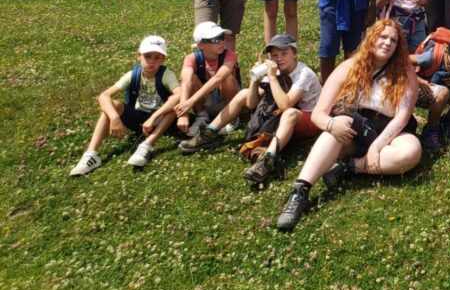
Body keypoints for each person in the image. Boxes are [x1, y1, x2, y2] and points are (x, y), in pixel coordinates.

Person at [276, 20, 421, 231]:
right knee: (334, 130)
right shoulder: (349, 67)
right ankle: (300, 192)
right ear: (371, 39)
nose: (387, 43)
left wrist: (376, 147)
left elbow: (402, 118)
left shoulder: (405, 73)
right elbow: (318, 114)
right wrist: (331, 124)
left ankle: (349, 167)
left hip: (390, 131)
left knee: (412, 151)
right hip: (355, 128)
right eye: (383, 37)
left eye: (393, 40)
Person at [179, 34, 323, 182]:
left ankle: (268, 159)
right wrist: (255, 80)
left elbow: (285, 106)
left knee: (290, 113)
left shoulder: (303, 73)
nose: (279, 59)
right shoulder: (275, 70)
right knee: (244, 93)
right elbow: (251, 103)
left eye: (284, 54)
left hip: (308, 119)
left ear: (295, 54)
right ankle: (210, 132)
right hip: (282, 117)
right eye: (274, 55)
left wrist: (272, 78)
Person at [70, 36, 180, 174]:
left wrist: (154, 117)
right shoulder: (133, 74)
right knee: (113, 105)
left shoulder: (167, 75)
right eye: (147, 56)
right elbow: (104, 96)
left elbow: (179, 95)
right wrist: (114, 117)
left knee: (173, 107)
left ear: (163, 59)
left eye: (157, 57)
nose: (151, 61)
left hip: (161, 120)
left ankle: (146, 146)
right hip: (139, 118)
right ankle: (91, 154)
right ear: (138, 56)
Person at [174, 21, 241, 136]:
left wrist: (190, 102)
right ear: (201, 45)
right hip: (205, 99)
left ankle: (231, 116)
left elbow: (218, 78)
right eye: (215, 40)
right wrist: (183, 113)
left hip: (226, 98)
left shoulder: (230, 55)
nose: (221, 42)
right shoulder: (191, 58)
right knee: (191, 78)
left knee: (227, 77)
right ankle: (202, 116)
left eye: (221, 37)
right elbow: (186, 82)